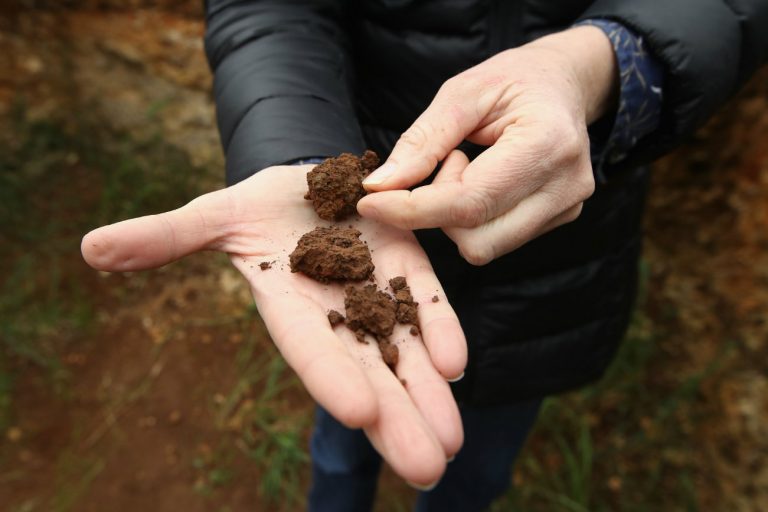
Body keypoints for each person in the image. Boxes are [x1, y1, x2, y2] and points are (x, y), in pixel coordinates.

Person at [82, 1, 768, 511]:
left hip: (558, 273)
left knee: (473, 470)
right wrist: (296, 149)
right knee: (347, 432)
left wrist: (606, 63)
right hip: (361, 179)